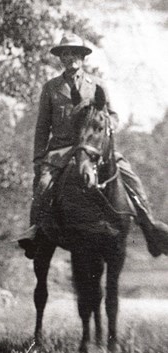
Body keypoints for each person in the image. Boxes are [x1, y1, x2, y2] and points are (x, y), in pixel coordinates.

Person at [20, 35, 168, 257]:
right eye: (66, 54)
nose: (70, 58)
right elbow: (42, 127)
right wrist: (39, 159)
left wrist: (107, 129)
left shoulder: (97, 85)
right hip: (61, 150)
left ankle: (149, 225)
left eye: (75, 53)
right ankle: (35, 230)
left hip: (93, 148)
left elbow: (113, 115)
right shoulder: (51, 88)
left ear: (82, 57)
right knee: (42, 184)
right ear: (61, 58)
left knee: (129, 175)